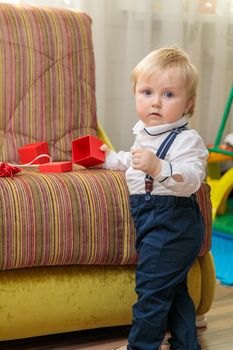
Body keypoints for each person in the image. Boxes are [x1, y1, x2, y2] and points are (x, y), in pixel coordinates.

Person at [100, 46, 208, 350]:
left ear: (189, 103)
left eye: (169, 95)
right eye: (147, 92)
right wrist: (107, 158)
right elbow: (134, 162)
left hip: (174, 222)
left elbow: (191, 177)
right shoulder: (147, 134)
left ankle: (141, 346)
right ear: (135, 94)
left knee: (151, 290)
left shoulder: (188, 140)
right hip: (152, 221)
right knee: (173, 290)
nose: (156, 102)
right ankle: (186, 344)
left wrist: (159, 167)